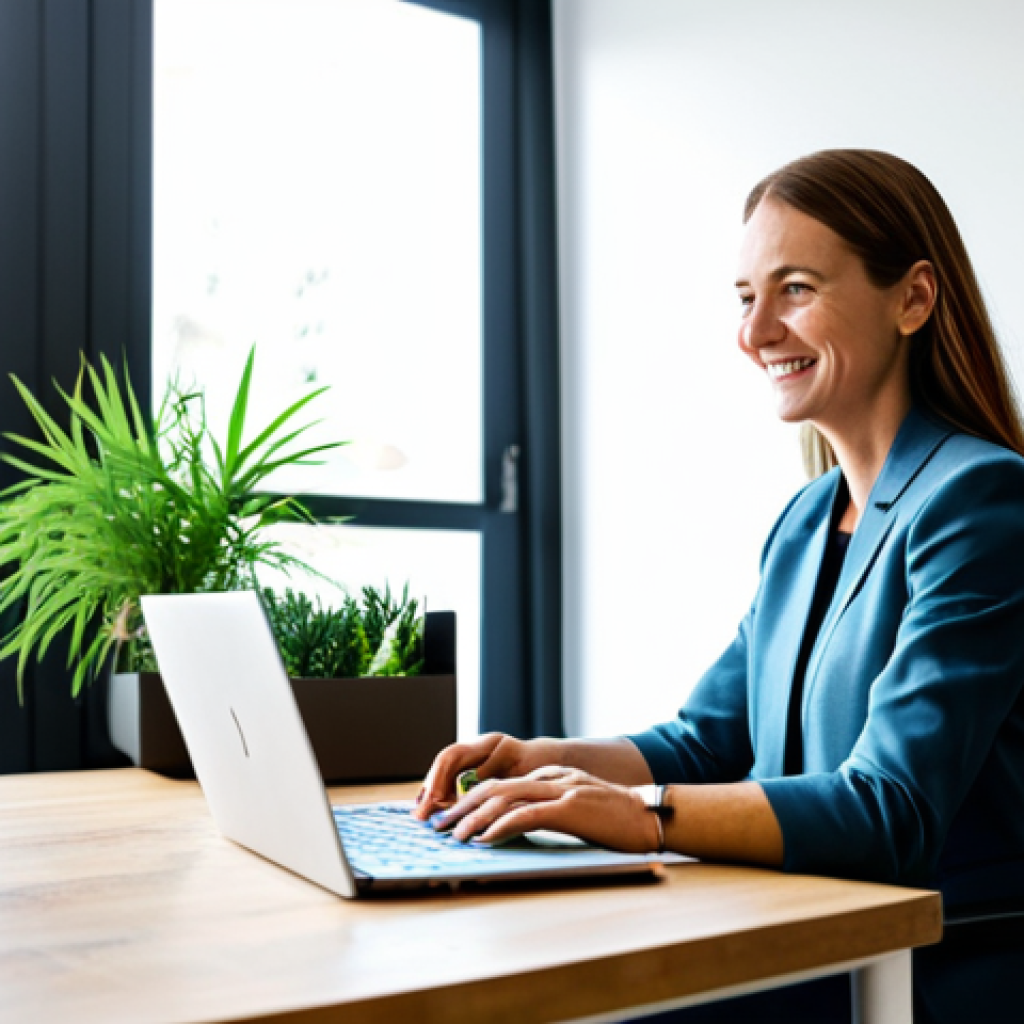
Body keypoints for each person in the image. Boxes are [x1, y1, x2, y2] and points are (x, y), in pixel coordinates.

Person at [413, 149, 1024, 1023]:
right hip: (803, 933)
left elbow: (891, 811)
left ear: (913, 299)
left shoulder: (979, 500)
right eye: (746, 299)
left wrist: (643, 814)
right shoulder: (809, 520)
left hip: (929, 964)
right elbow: (706, 742)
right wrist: (547, 762)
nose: (756, 332)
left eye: (797, 289)